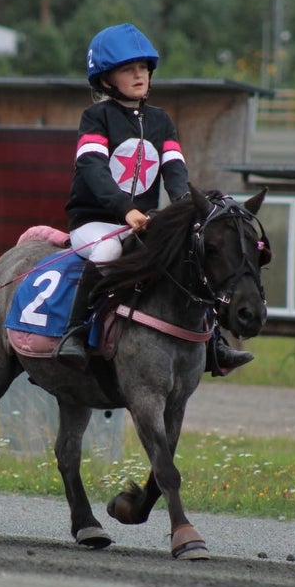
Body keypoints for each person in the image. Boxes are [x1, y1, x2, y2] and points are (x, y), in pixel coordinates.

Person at [53, 22, 254, 375]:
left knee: (190, 253)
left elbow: (175, 172)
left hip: (140, 223)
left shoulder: (161, 121)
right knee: (107, 251)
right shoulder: (95, 117)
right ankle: (75, 333)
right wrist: (125, 209)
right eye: (128, 69)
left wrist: (185, 209)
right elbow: (94, 171)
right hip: (94, 222)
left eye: (143, 68)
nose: (139, 75)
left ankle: (214, 343)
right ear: (105, 80)